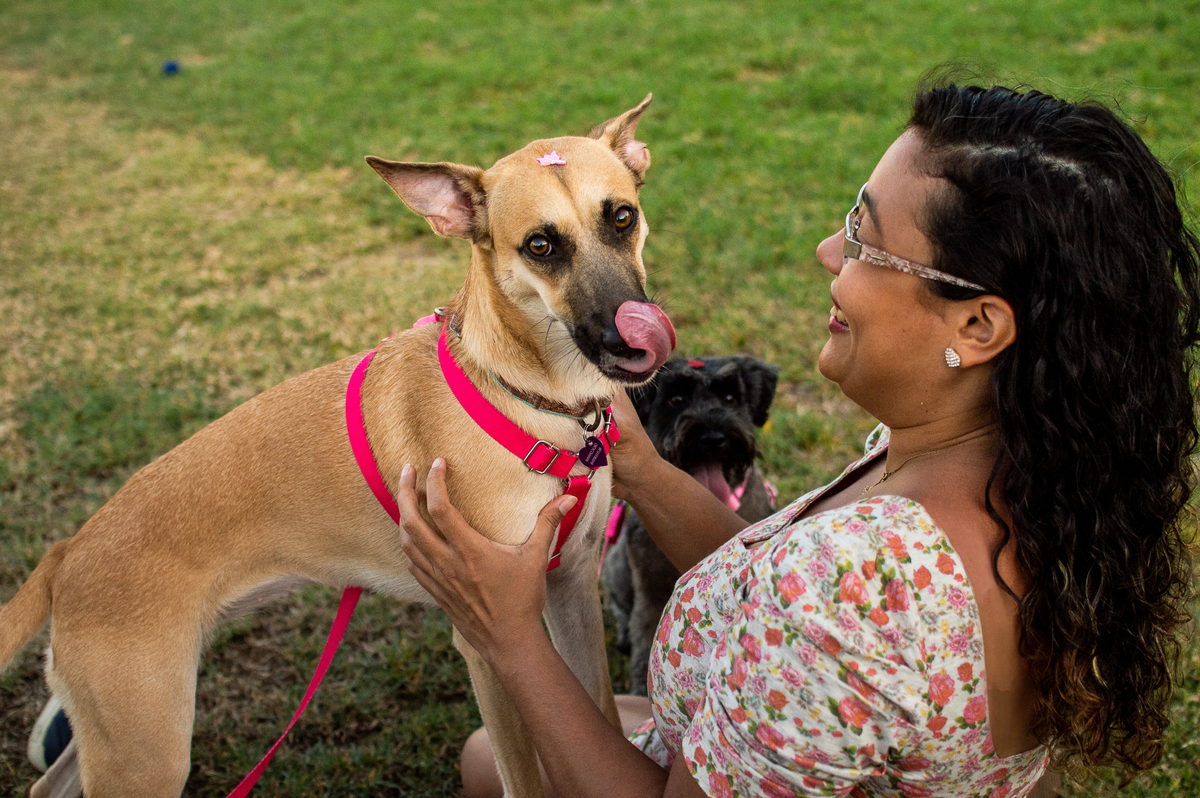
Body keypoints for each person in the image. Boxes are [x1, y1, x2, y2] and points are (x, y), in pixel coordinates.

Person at [396, 80, 1200, 797]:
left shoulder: (844, 591)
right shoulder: (1015, 461)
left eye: (864, 239)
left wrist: (511, 636)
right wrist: (638, 467)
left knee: (488, 757)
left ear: (978, 326)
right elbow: (776, 585)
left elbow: (815, 601)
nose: (826, 252)